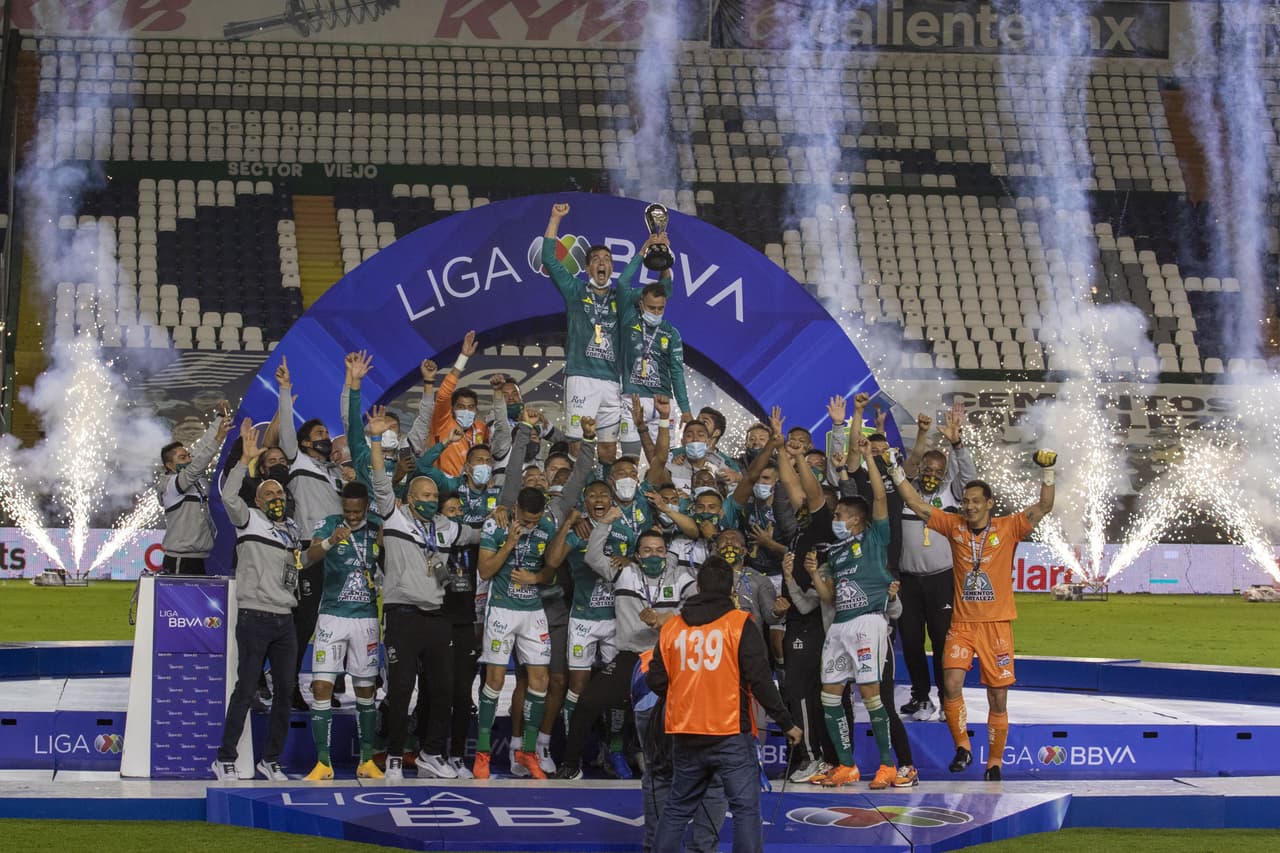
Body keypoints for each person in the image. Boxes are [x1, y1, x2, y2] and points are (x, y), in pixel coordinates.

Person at [892, 448, 1057, 780]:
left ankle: (994, 762)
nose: (969, 506)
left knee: (998, 697)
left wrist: (1048, 471)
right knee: (951, 684)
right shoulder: (953, 526)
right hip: (962, 624)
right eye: (966, 501)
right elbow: (916, 503)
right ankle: (963, 747)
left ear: (989, 503)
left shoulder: (1009, 527)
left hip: (996, 626)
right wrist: (895, 471)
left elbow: (1044, 506)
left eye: (975, 501)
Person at [647, 557, 803, 853]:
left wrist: (686, 693)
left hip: (685, 732)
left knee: (677, 808)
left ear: (698, 587)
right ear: (731, 589)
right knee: (745, 809)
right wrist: (786, 723)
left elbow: (655, 679)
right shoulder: (739, 624)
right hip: (730, 732)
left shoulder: (672, 628)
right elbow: (760, 680)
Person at [473, 418, 599, 779]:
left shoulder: (549, 517)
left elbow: (577, 482)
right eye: (526, 521)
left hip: (534, 610)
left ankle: (529, 752)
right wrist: (510, 544)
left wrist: (588, 439)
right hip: (502, 608)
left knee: (541, 682)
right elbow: (485, 571)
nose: (532, 524)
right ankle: (483, 753)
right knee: (495, 681)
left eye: (536, 519)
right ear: (515, 510)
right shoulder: (498, 521)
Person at [804, 436, 904, 790]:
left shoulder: (875, 537)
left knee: (871, 693)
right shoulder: (835, 552)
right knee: (829, 694)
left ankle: (887, 765)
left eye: (839, 515)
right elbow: (829, 598)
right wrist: (815, 574)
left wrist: (868, 459)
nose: (835, 519)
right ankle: (847, 766)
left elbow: (880, 498)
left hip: (867, 622)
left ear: (857, 519)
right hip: (840, 625)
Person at [212, 419, 303, 782]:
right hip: (255, 617)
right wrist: (243, 461)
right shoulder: (247, 519)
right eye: (269, 494)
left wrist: (325, 545)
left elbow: (298, 567)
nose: (276, 498)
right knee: (246, 689)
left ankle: (271, 759)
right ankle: (225, 757)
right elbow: (228, 497)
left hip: (285, 620)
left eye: (279, 494)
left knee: (285, 691)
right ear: (259, 501)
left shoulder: (291, 530)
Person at [542, 201, 659, 459]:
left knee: (608, 448)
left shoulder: (622, 297)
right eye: (596, 259)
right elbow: (548, 259)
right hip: (581, 378)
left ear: (612, 268)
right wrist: (555, 218)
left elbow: (657, 294)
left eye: (607, 259)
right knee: (577, 444)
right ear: (587, 268)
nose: (602, 262)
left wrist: (656, 253)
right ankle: (579, 484)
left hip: (611, 381)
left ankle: (607, 484)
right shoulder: (575, 290)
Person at [301, 481, 384, 781]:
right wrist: (329, 542)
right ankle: (323, 763)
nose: (352, 516)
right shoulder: (329, 524)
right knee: (321, 686)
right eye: (348, 511)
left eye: (357, 511)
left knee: (366, 690)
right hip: (332, 616)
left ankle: (367, 760)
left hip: (366, 619)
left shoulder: (377, 527)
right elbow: (307, 558)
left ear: (366, 507)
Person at [275, 356, 345, 710]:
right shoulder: (298, 461)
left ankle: (329, 684)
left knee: (334, 621)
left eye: (326, 434)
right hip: (307, 549)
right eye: (319, 435)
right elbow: (287, 432)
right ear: (303, 444)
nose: (325, 439)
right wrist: (285, 390)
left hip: (337, 553)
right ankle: (286, 687)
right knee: (303, 622)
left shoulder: (335, 472)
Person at [897, 409, 976, 720]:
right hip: (907, 581)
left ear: (945, 473)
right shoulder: (906, 492)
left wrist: (958, 445)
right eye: (928, 469)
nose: (932, 474)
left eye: (938, 470)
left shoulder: (952, 493)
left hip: (941, 580)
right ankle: (921, 697)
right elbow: (907, 468)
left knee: (944, 642)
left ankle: (947, 700)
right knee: (911, 642)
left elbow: (969, 478)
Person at [159, 403, 230, 575]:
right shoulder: (170, 485)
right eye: (182, 458)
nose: (188, 460)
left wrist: (219, 418)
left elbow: (201, 448)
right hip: (180, 559)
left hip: (201, 556)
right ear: (169, 465)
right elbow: (197, 466)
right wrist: (218, 439)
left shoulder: (191, 476)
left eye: (188, 456)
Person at [618, 280, 686, 458]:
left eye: (660, 309)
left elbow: (677, 372)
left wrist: (685, 409)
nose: (656, 313)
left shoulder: (671, 332)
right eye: (651, 308)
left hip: (661, 402)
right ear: (641, 304)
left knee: (664, 462)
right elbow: (622, 286)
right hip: (632, 399)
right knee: (629, 460)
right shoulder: (628, 320)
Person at [429, 331, 508, 477]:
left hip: (473, 486)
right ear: (452, 409)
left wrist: (498, 392)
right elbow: (443, 394)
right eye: (461, 407)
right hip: (445, 486)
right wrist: (463, 357)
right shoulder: (442, 424)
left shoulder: (481, 428)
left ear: (476, 410)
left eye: (471, 407)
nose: (466, 411)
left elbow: (501, 433)